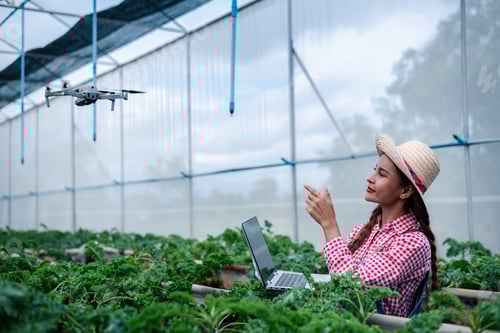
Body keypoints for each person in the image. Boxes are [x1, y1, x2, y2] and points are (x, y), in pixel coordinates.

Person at [304, 133, 440, 318]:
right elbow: (340, 279)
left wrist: (329, 224)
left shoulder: (412, 243)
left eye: (382, 174)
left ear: (405, 191)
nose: (370, 178)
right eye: (375, 170)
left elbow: (350, 286)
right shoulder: (363, 231)